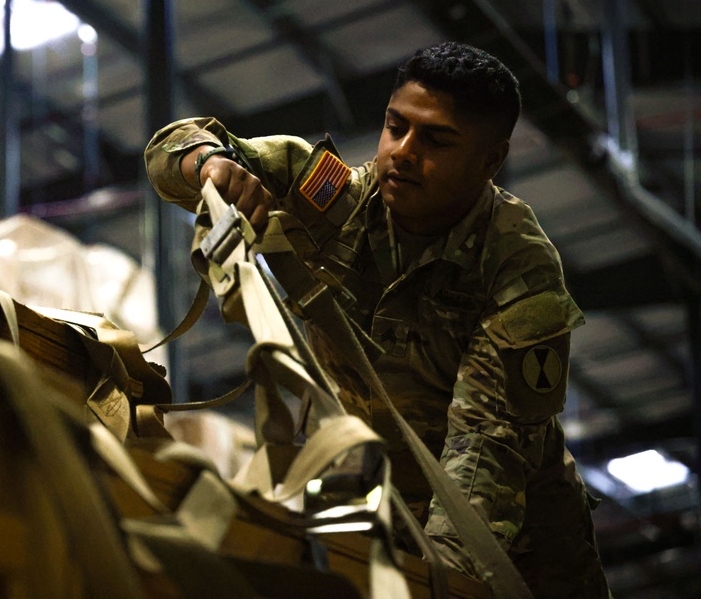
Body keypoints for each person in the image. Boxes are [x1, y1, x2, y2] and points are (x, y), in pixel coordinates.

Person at [144, 41, 610, 597]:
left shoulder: (517, 265)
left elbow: (485, 452)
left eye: (436, 139)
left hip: (520, 543)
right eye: (396, 126)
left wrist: (433, 579)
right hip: (362, 486)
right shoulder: (333, 198)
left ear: (491, 160)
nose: (403, 152)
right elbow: (168, 151)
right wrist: (211, 165)